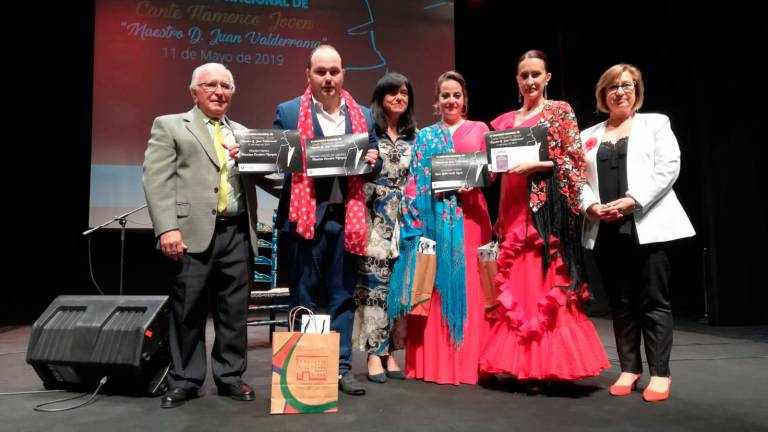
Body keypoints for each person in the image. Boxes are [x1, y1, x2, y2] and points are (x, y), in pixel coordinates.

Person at [479, 50, 610, 389]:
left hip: (544, 213)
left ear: (548, 76)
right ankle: (525, 366)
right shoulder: (505, 121)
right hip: (511, 210)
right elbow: (492, 168)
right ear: (517, 79)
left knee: (544, 284)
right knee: (519, 285)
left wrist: (538, 165)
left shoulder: (559, 111)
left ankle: (548, 366)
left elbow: (574, 162)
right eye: (524, 75)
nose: (530, 81)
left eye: (536, 74)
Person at [143, 62, 260, 408]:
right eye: (211, 85)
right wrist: (167, 227)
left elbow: (272, 181)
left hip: (237, 231)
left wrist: (283, 162)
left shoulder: (243, 133)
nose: (219, 92)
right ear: (194, 92)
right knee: (187, 310)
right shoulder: (170, 125)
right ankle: (186, 380)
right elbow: (156, 179)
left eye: (226, 86)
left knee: (234, 312)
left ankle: (230, 377)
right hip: (190, 232)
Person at [580, 64, 695, 402]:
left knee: (653, 301)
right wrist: (590, 206)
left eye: (627, 85)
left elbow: (668, 167)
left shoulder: (655, 123)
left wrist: (633, 200)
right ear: (603, 94)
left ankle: (660, 373)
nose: (620, 91)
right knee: (621, 303)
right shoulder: (589, 134)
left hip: (646, 226)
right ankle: (629, 368)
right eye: (613, 86)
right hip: (605, 228)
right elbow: (578, 181)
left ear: (637, 91)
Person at [273, 44, 380, 396]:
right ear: (308, 74)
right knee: (302, 296)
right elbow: (277, 162)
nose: (328, 78)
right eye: (321, 72)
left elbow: (374, 163)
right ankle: (302, 369)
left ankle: (342, 368)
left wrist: (373, 160)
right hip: (304, 219)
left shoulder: (363, 113)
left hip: (346, 219)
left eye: (334, 71)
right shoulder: (288, 112)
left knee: (342, 297)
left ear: (343, 73)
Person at [391, 70, 492, 385]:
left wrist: (475, 179)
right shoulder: (425, 136)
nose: (451, 100)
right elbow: (413, 184)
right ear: (437, 101)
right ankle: (433, 364)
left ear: (465, 100)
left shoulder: (480, 129)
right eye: (445, 95)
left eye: (456, 95)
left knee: (472, 290)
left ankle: (469, 363)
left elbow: (493, 173)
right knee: (432, 289)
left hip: (472, 219)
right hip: (433, 221)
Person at [351, 72, 415, 383]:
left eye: (403, 92)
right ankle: (374, 353)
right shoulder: (368, 130)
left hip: (404, 219)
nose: (398, 98)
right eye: (392, 93)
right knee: (372, 287)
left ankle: (391, 351)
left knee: (396, 287)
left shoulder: (412, 136)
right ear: (380, 97)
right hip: (372, 216)